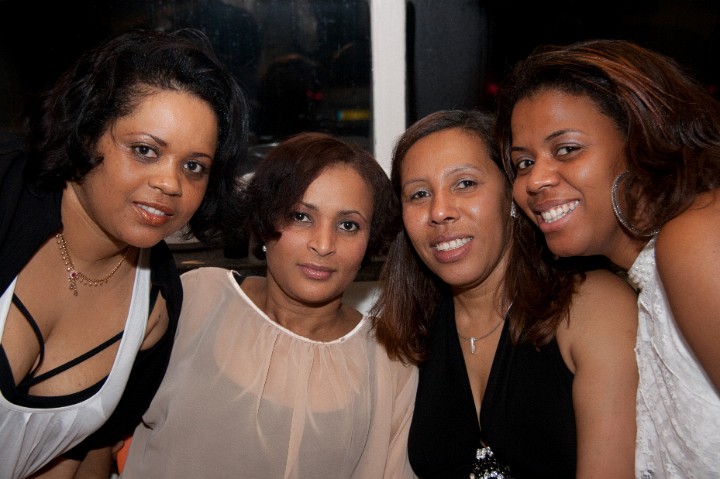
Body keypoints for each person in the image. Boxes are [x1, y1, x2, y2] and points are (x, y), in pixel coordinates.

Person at [0, 28, 249, 479]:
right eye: (145, 150)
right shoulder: (7, 195)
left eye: (194, 166)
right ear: (87, 131)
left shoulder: (156, 305)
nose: (171, 184)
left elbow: (76, 456)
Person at [121, 132, 418, 479]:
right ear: (264, 222)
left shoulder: (390, 361)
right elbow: (99, 429)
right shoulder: (196, 299)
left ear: (370, 240)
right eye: (301, 216)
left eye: (348, 225)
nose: (323, 244)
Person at [495, 38, 720, 478]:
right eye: (523, 163)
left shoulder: (695, 237)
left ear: (643, 140)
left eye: (566, 149)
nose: (535, 180)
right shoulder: (641, 280)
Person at [371, 110, 638, 478]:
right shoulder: (409, 331)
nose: (439, 211)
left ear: (511, 196)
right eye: (419, 194)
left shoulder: (590, 306)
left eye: (465, 183)